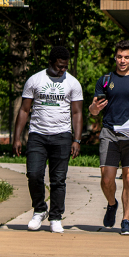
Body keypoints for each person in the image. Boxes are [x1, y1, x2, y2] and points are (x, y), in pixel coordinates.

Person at [13, 46, 83, 233]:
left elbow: (76, 113)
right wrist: (17, 137)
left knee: (58, 179)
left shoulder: (73, 83)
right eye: (60, 66)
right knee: (34, 174)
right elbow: (24, 110)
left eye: (65, 67)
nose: (63, 70)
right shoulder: (35, 80)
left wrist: (77, 140)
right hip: (38, 135)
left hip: (62, 136)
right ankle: (39, 210)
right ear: (51, 63)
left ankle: (56, 217)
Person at [89, 40, 129, 236]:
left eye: (127, 57)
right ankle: (112, 203)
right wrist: (94, 108)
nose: (122, 60)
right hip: (109, 132)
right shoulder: (105, 80)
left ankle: (126, 220)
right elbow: (93, 110)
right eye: (119, 57)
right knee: (107, 178)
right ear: (115, 57)